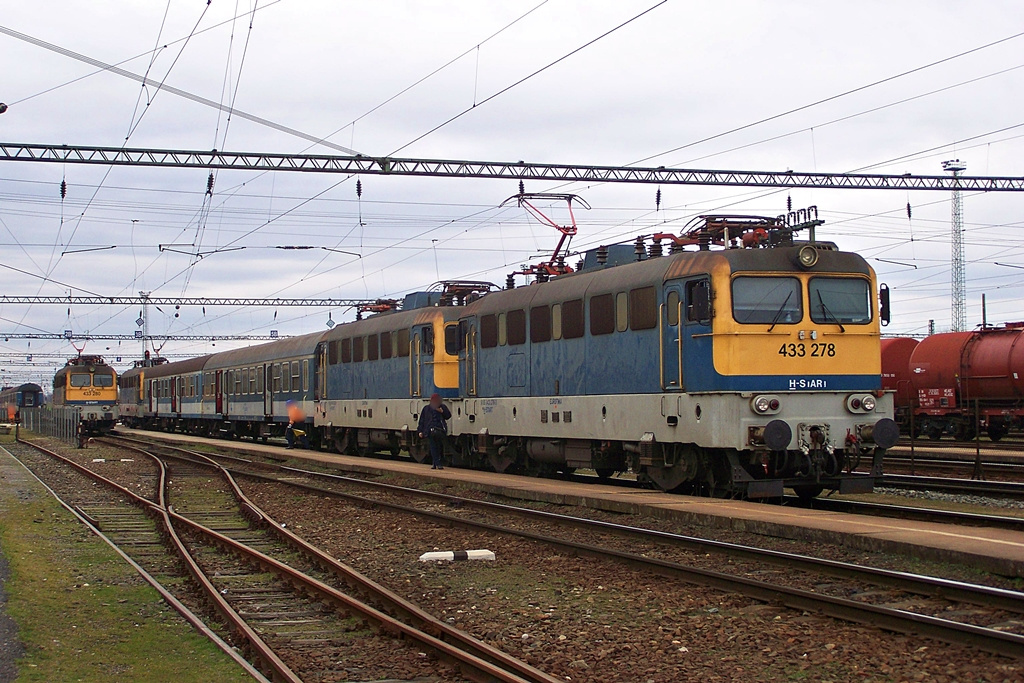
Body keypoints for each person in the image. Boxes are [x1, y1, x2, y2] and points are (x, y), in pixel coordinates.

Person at [417, 393, 451, 469]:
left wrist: (442, 412)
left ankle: (435, 463)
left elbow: (448, 416)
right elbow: (422, 420)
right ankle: (437, 463)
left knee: (438, 447)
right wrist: (420, 431)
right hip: (430, 430)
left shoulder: (442, 407)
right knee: (433, 446)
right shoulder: (426, 409)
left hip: (439, 430)